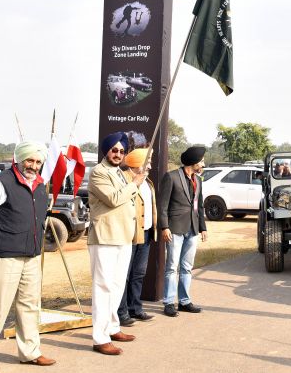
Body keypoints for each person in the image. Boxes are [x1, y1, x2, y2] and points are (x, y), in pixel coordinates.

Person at [0, 141, 56, 373]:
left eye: (38, 162)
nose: (34, 165)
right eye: (30, 160)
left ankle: (30, 351)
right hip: (4, 255)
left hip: (31, 255)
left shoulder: (40, 185)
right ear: (19, 159)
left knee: (30, 305)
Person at [88, 132, 144, 356]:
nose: (118, 154)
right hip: (105, 237)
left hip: (123, 236)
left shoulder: (120, 173)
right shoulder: (98, 172)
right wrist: (135, 184)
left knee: (117, 285)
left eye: (122, 151)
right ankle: (99, 338)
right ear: (106, 150)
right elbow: (113, 198)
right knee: (102, 287)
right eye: (114, 150)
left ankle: (112, 327)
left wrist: (134, 180)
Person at [158, 145, 208, 317]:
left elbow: (199, 205)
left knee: (187, 267)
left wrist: (202, 227)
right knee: (172, 267)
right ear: (193, 162)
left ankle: (184, 301)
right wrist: (164, 227)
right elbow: (162, 205)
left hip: (192, 228)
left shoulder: (198, 180)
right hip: (174, 229)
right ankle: (169, 302)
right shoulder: (171, 177)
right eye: (201, 161)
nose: (203, 164)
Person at [117, 148, 157, 327]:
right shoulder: (124, 180)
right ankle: (121, 312)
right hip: (130, 234)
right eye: (147, 162)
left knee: (138, 274)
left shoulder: (147, 181)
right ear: (136, 163)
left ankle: (135, 308)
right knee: (124, 275)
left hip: (146, 233)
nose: (150, 165)